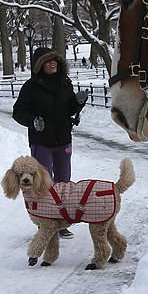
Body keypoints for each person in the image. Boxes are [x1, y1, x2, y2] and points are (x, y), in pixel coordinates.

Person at [12, 47, 88, 238]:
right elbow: (18, 111)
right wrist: (32, 121)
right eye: (47, 61)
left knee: (63, 182)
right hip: (41, 142)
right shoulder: (31, 87)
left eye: (54, 60)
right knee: (43, 183)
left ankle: (61, 223)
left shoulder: (65, 83)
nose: (52, 63)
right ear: (40, 65)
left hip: (63, 140)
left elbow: (69, 108)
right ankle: (44, 222)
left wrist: (78, 103)